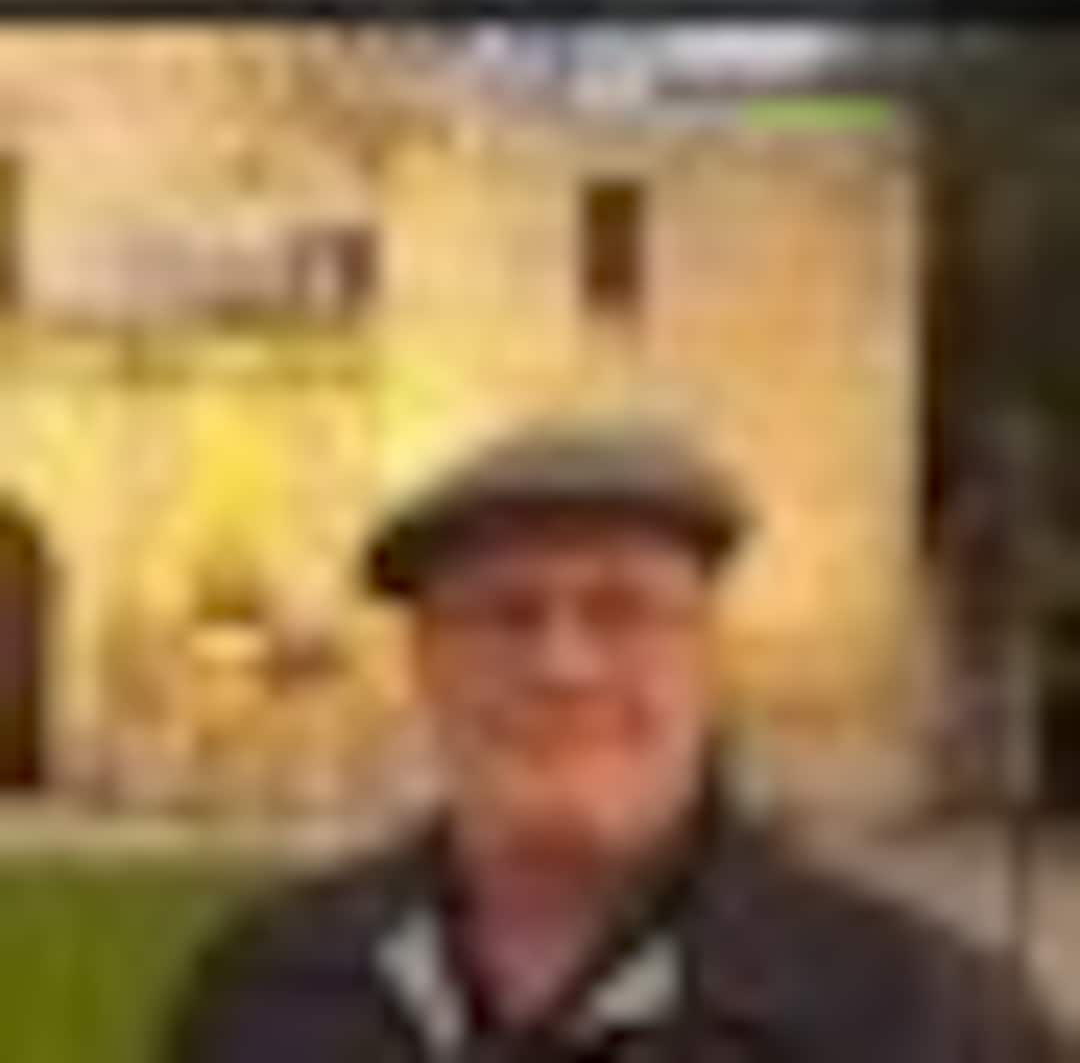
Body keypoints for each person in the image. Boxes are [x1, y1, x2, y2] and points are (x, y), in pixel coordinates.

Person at [165, 414, 1062, 1062]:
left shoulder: (921, 1020)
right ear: (425, 666)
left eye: (622, 610)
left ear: (709, 658)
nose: (564, 667)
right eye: (505, 615)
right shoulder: (273, 989)